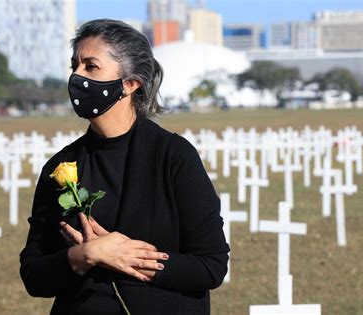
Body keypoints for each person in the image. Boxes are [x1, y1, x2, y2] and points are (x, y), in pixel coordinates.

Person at [19, 19, 230, 315]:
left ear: (130, 83)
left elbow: (211, 266)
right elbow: (33, 274)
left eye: (91, 67)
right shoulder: (62, 166)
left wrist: (126, 257)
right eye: (74, 66)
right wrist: (85, 255)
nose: (77, 77)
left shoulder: (174, 156)